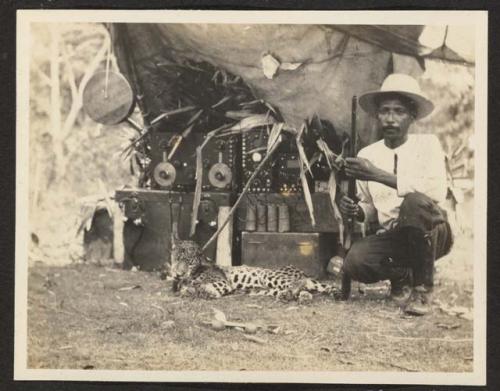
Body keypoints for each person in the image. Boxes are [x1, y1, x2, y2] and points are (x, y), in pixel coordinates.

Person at [338, 73, 453, 316]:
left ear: (412, 116)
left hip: (432, 232)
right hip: (394, 237)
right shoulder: (368, 153)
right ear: (377, 115)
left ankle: (422, 290)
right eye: (385, 111)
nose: (390, 119)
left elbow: (436, 192)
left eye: (399, 111)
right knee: (355, 261)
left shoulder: (429, 145)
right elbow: (369, 207)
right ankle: (403, 277)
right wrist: (356, 210)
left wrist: (378, 175)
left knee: (414, 202)